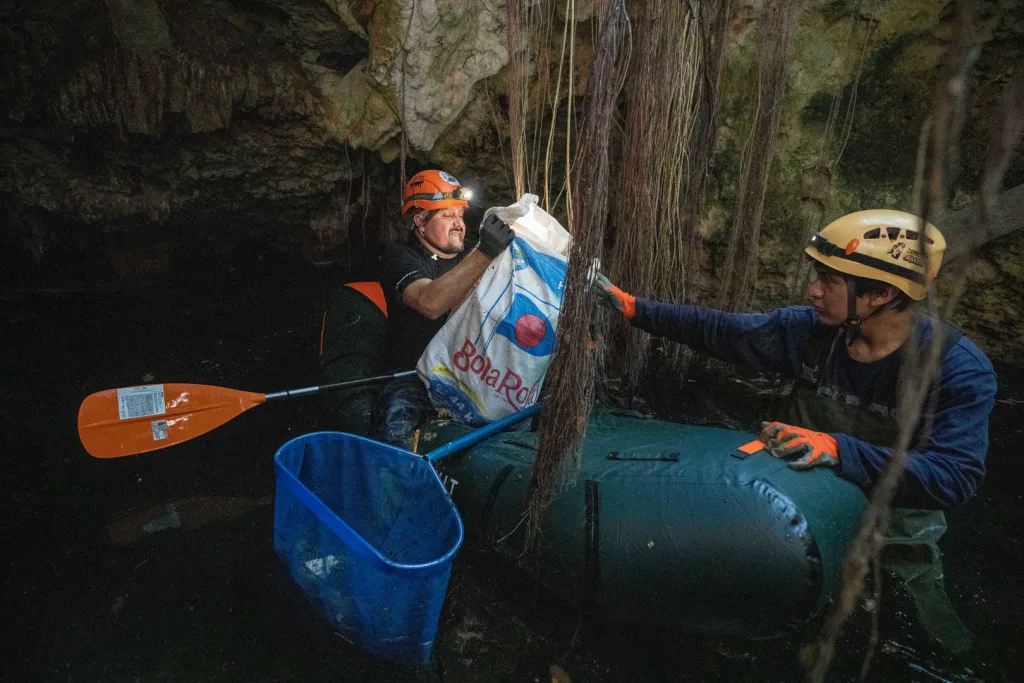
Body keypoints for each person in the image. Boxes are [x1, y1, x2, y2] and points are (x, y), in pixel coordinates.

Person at [595, 209, 996, 652]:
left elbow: (955, 478)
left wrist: (838, 450)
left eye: (829, 280)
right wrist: (634, 308)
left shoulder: (957, 369)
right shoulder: (812, 334)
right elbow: (724, 332)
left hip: (895, 532)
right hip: (795, 510)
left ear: (879, 293)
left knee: (925, 641)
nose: (813, 290)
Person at [373, 169, 514, 447]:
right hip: (413, 376)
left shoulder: (475, 250)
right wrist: (486, 252)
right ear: (420, 222)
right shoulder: (401, 257)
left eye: (460, 215)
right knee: (394, 424)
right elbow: (430, 303)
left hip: (470, 371)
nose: (459, 223)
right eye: (447, 215)